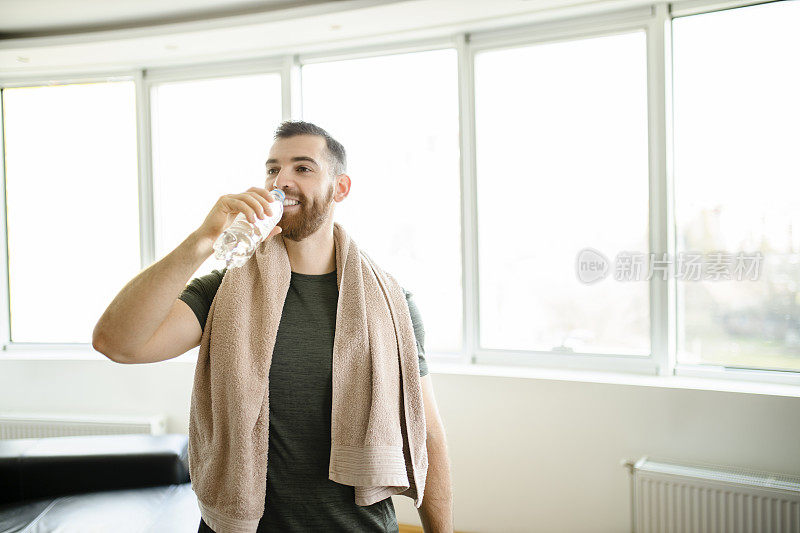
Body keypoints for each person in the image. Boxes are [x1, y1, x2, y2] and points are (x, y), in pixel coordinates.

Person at [92, 121, 453, 532]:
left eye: (302, 168)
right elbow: (117, 343)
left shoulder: (391, 304)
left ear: (341, 187)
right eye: (272, 169)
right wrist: (202, 240)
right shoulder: (223, 293)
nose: (281, 181)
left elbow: (429, 436)